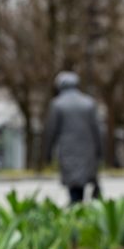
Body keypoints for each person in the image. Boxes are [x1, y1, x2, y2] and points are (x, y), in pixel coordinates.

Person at [43, 72, 103, 204]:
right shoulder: (89, 103)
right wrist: (99, 152)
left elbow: (51, 131)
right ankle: (81, 210)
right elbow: (97, 130)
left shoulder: (57, 104)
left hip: (68, 151)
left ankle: (76, 211)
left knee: (74, 185)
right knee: (84, 182)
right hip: (88, 151)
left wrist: (47, 153)